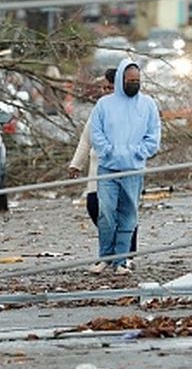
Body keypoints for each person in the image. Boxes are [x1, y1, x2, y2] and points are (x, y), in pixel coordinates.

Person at [87, 58, 161, 275]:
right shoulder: (104, 105)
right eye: (130, 80)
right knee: (106, 213)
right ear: (121, 79)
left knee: (129, 215)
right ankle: (105, 257)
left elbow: (153, 135)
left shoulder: (147, 105)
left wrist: (138, 153)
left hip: (134, 169)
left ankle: (121, 260)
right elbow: (96, 133)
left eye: (137, 80)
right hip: (108, 168)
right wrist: (109, 151)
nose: (134, 84)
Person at [68, 69, 139, 256]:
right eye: (104, 88)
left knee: (125, 213)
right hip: (97, 169)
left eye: (110, 87)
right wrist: (76, 164)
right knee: (95, 207)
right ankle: (112, 250)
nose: (106, 91)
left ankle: (126, 254)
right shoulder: (99, 110)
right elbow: (86, 138)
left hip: (122, 169)